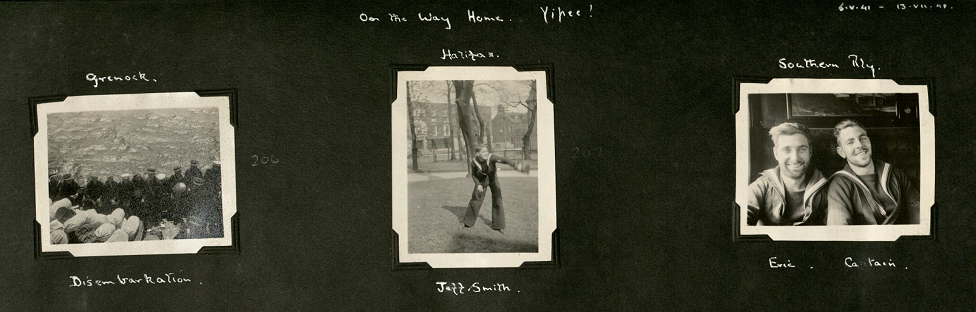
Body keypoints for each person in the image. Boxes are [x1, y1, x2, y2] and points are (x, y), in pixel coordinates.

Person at [826, 119, 920, 225]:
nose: (859, 145)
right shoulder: (839, 185)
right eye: (850, 142)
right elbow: (839, 230)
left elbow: (918, 212)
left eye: (863, 138)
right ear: (841, 152)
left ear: (869, 141)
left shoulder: (895, 174)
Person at [746, 122, 828, 226]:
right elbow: (741, 222)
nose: (795, 158)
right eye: (786, 150)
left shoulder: (825, 188)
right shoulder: (762, 186)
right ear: (776, 153)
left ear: (810, 152)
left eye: (802, 149)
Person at [461, 145, 528, 234]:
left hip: (493, 179)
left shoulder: (491, 157)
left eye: (487, 151)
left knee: (498, 199)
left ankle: (498, 225)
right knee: (476, 200)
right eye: (483, 152)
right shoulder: (474, 162)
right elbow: (473, 174)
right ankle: (468, 223)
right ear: (478, 153)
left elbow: (504, 160)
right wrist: (478, 185)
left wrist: (515, 164)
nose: (486, 153)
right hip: (481, 181)